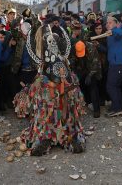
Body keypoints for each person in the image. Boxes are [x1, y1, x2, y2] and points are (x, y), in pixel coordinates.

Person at [16, 24, 85, 156]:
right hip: (49, 93)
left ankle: (72, 138)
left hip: (64, 93)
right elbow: (41, 75)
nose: (52, 44)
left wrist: (67, 81)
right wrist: (47, 83)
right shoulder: (43, 62)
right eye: (49, 42)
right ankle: (45, 139)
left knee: (66, 114)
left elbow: (69, 77)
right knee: (46, 114)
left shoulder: (64, 60)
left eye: (55, 41)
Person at [70, 40, 102, 118]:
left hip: (92, 69)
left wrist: (90, 75)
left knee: (93, 88)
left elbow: (95, 64)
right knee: (80, 87)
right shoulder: (74, 48)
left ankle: (97, 110)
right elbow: (73, 61)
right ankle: (86, 104)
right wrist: (73, 73)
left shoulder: (91, 48)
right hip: (81, 68)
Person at [106, 16, 122, 117]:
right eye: (107, 23)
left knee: (110, 86)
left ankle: (117, 108)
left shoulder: (117, 31)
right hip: (114, 63)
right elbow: (110, 49)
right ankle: (118, 107)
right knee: (116, 86)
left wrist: (116, 28)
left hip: (118, 64)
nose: (107, 24)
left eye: (110, 22)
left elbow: (121, 33)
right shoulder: (110, 34)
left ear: (115, 23)